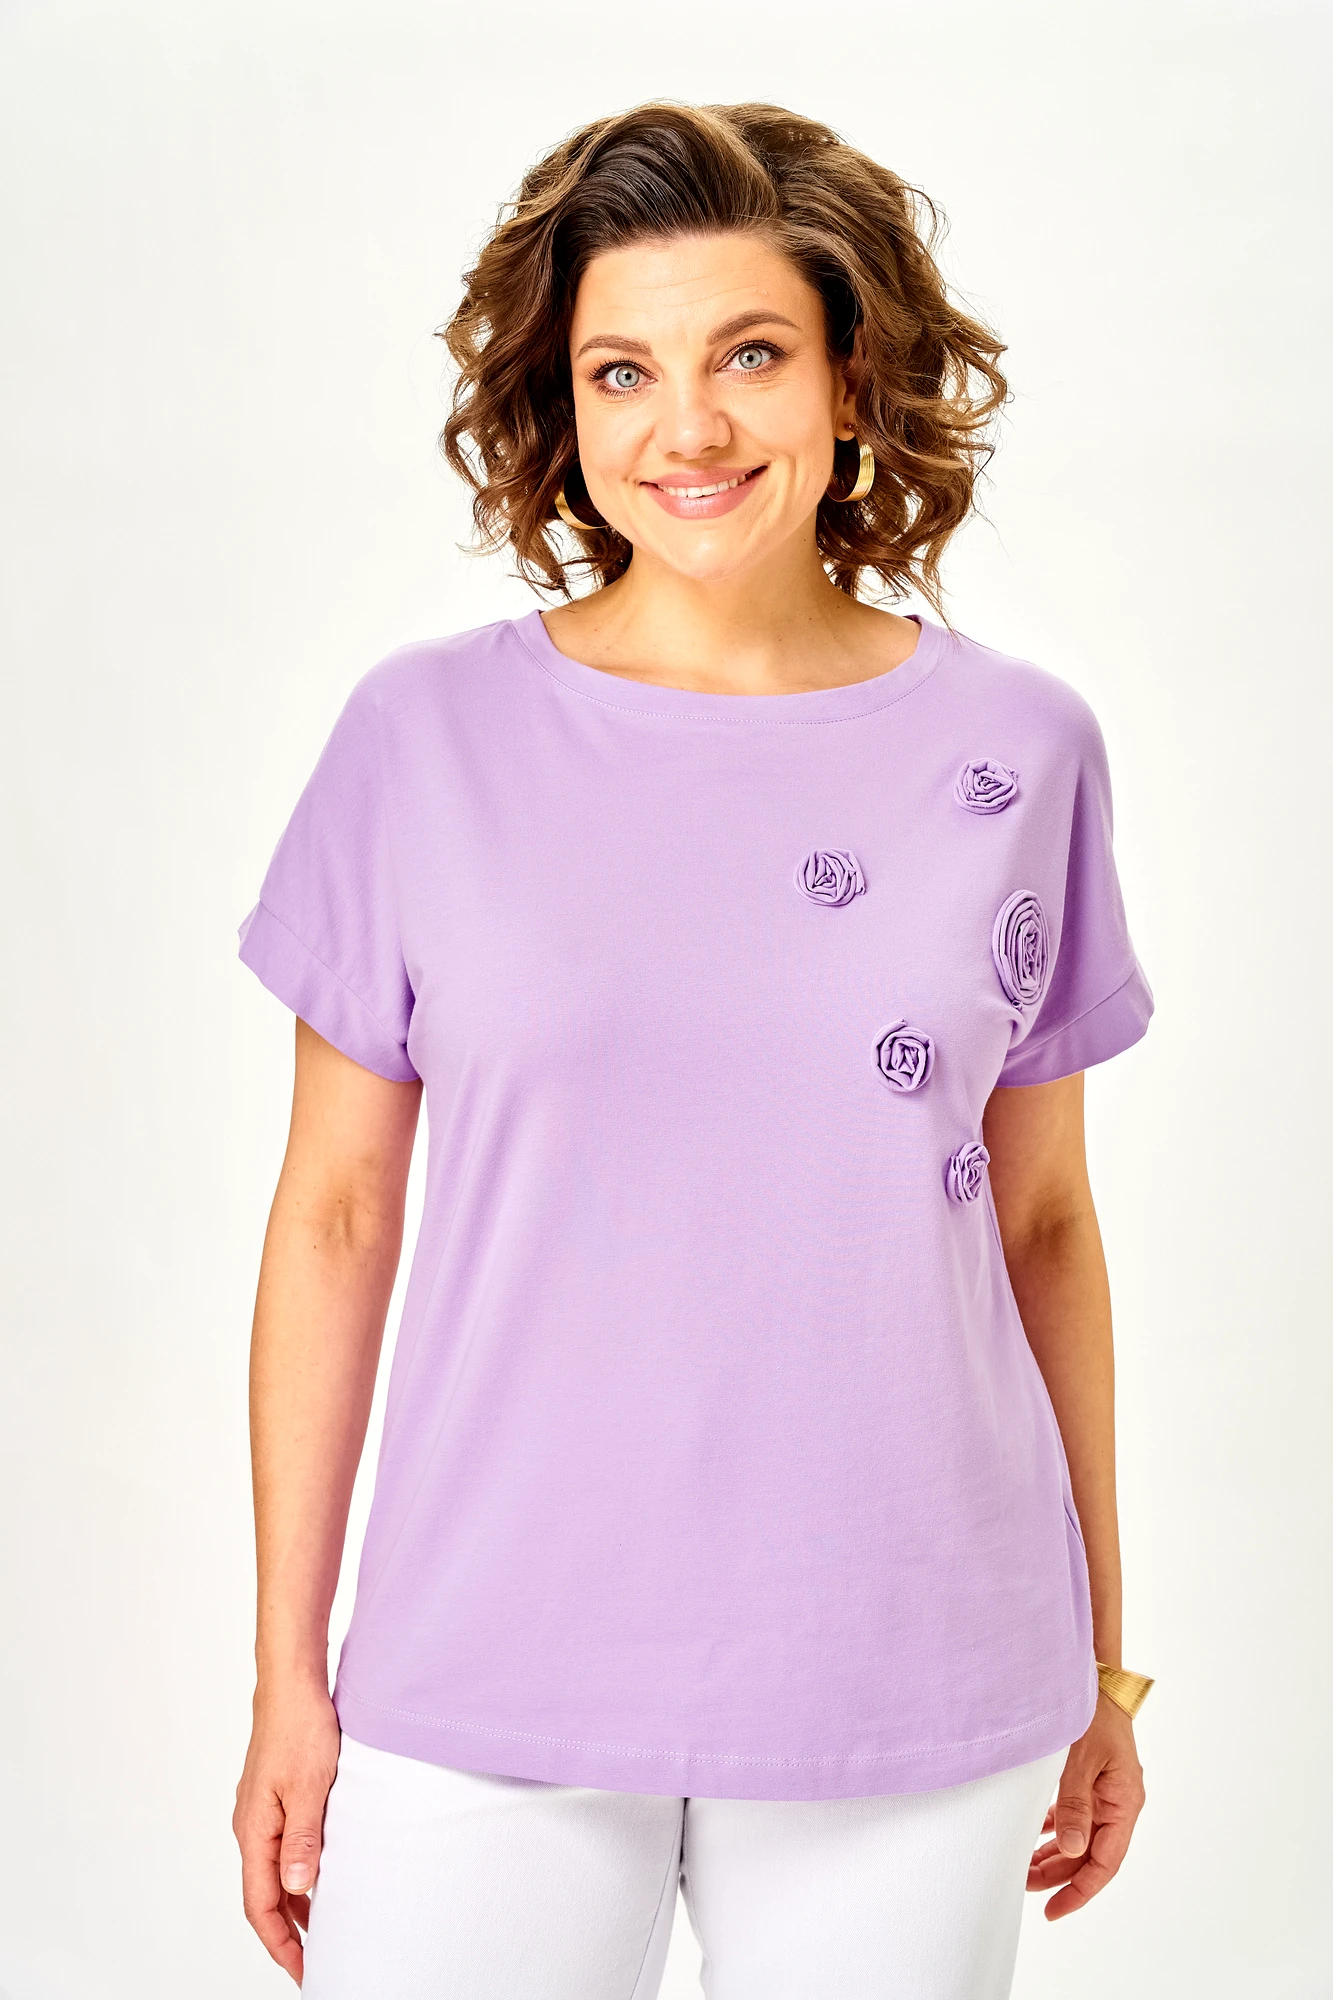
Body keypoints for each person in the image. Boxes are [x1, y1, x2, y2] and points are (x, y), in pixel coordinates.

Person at [231, 100, 1155, 1999]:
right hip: (488, 1662)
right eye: (622, 371)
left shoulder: (1022, 751)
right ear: (563, 410)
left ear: (850, 378)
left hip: (915, 1662)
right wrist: (285, 1675)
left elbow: (1047, 1225)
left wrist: (1104, 1664)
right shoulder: (422, 741)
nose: (691, 428)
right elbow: (334, 1218)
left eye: (749, 355)